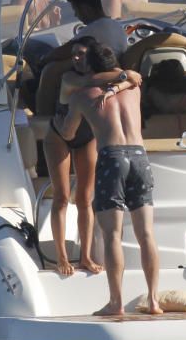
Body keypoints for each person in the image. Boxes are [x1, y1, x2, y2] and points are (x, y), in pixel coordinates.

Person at [56, 42, 161, 316]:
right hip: (140, 157)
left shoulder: (81, 96)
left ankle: (116, 303)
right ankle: (153, 300)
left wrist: (61, 121)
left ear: (90, 66)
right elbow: (128, 78)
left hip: (112, 158)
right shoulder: (134, 87)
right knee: (146, 234)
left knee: (113, 235)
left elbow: (68, 134)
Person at [44, 37, 142, 277]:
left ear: (93, 57)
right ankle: (61, 257)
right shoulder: (70, 78)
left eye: (82, 54)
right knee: (61, 197)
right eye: (74, 54)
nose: (76, 58)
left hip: (86, 135)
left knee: (85, 198)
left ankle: (86, 256)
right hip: (59, 134)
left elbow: (134, 79)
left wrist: (126, 77)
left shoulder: (106, 79)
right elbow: (91, 80)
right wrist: (124, 75)